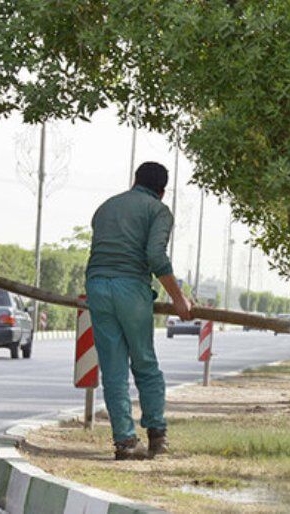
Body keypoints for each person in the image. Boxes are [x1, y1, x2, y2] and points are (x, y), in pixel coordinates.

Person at [85, 161, 193, 460]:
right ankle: (157, 435)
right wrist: (179, 299)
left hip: (97, 287)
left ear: (135, 180)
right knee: (144, 363)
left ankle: (125, 442)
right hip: (130, 289)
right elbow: (155, 256)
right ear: (162, 190)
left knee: (113, 370)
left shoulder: (106, 207)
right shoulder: (158, 211)